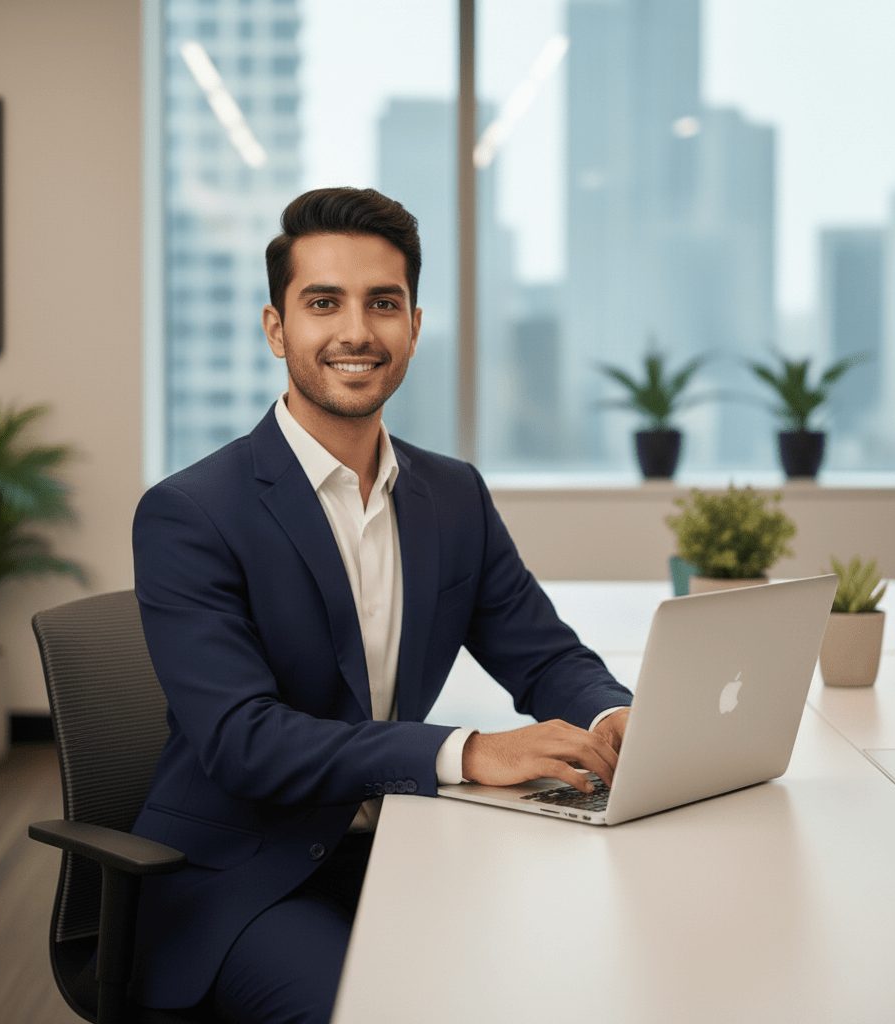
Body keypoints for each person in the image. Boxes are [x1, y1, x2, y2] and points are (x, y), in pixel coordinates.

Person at [130, 186, 633, 1023]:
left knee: (566, 973)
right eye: (323, 303)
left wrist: (612, 713)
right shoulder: (192, 512)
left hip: (408, 849)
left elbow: (541, 652)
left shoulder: (453, 494)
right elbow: (243, 742)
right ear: (275, 327)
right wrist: (467, 751)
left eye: (383, 303)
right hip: (247, 884)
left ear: (414, 327)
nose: (357, 331)